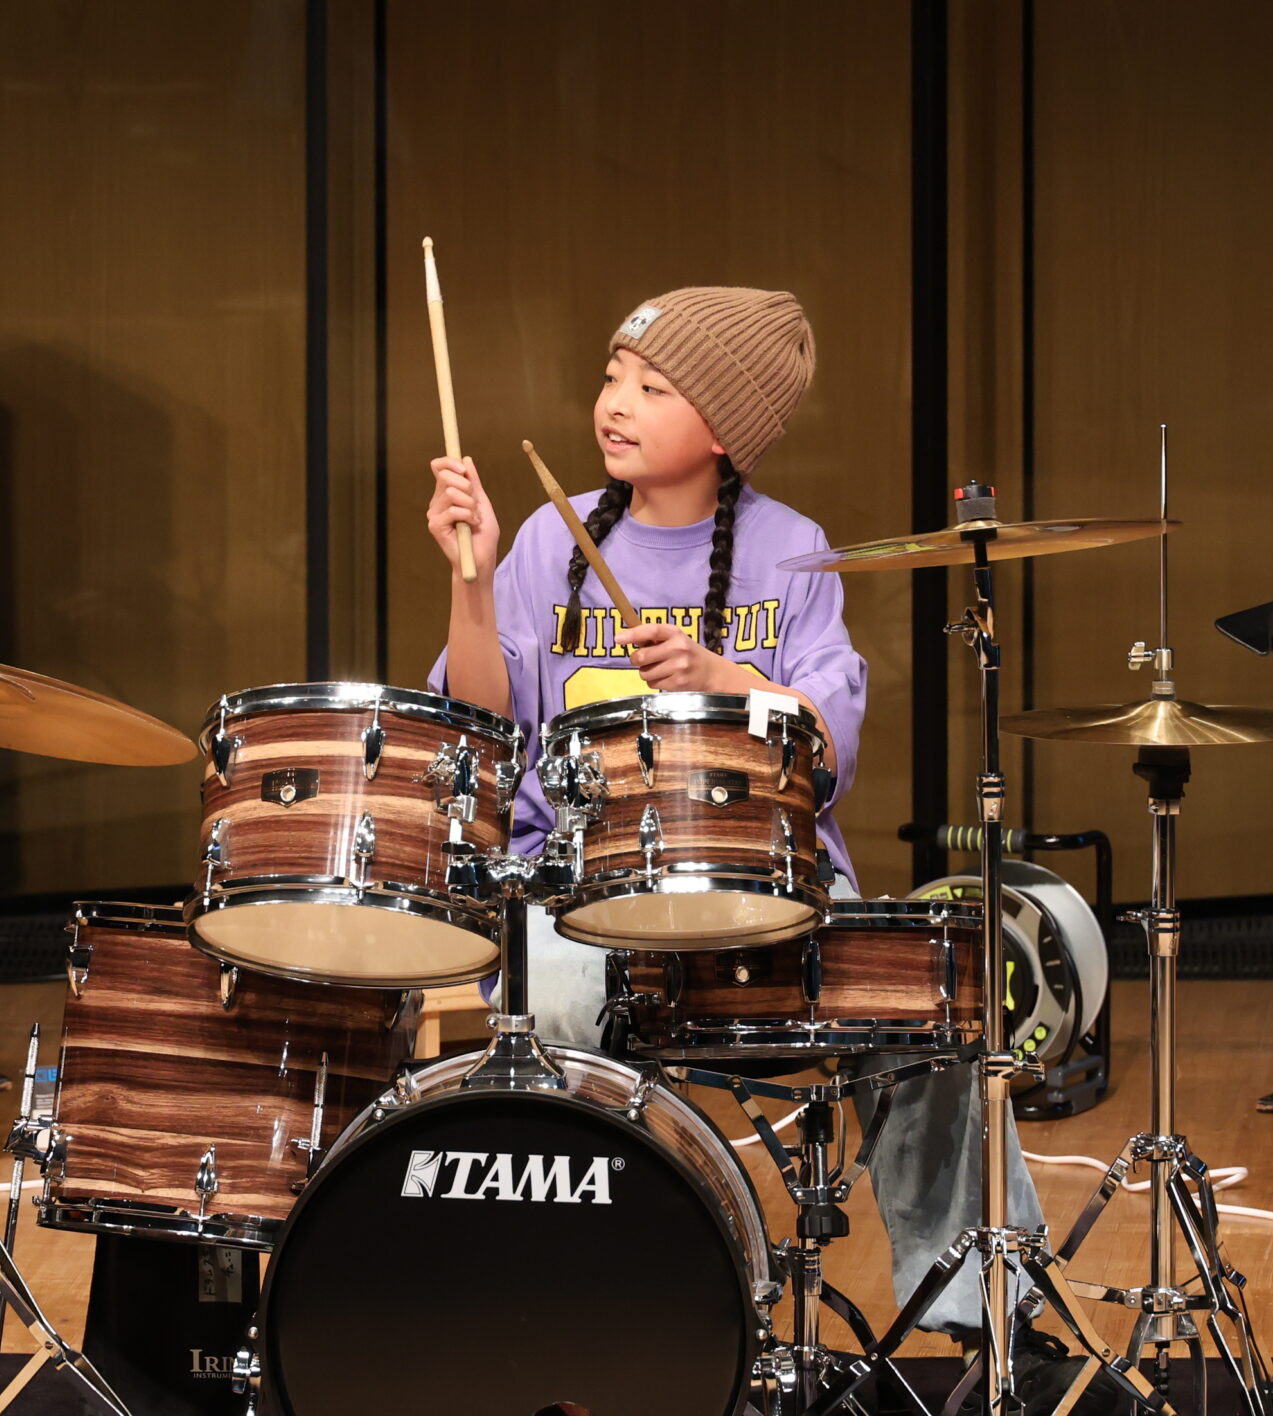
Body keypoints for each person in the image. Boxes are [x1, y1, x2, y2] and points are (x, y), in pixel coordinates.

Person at [425, 287, 1040, 1337]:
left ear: (722, 431)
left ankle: (991, 1326)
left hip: (769, 883)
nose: (615, 401)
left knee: (927, 1009)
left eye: (652, 387)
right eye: (613, 374)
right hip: (580, 886)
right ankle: (597, 1315)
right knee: (556, 1007)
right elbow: (482, 732)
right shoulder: (545, 539)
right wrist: (472, 583)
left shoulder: (792, 545)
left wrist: (720, 677)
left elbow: (829, 743)